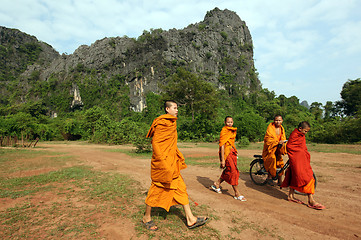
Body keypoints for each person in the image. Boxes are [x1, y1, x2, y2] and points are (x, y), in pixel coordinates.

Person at [142, 100, 209, 231]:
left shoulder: (172, 123)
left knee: (181, 188)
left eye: (177, 108)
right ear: (167, 109)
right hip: (163, 164)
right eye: (174, 108)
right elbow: (156, 143)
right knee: (156, 189)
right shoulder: (161, 122)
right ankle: (146, 217)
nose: (177, 110)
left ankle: (190, 219)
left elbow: (171, 144)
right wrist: (163, 162)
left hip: (172, 162)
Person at [281, 121, 325, 210]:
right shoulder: (295, 135)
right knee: (307, 177)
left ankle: (290, 195)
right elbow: (290, 146)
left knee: (294, 175)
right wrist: (300, 152)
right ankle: (311, 200)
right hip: (297, 158)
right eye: (305, 131)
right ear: (300, 129)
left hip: (301, 159)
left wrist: (304, 153)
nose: (306, 133)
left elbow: (302, 147)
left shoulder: (301, 135)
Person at [210, 116, 246, 201]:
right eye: (228, 122)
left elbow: (231, 143)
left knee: (229, 170)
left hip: (232, 152)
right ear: (225, 123)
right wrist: (222, 159)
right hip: (226, 154)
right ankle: (237, 193)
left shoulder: (232, 130)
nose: (230, 124)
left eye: (231, 122)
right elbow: (222, 145)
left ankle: (217, 184)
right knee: (233, 172)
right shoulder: (224, 131)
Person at [262, 115, 287, 186]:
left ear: (282, 121)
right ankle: (269, 177)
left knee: (280, 163)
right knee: (272, 160)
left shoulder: (282, 128)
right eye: (276, 120)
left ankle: (280, 180)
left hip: (278, 149)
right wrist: (277, 142)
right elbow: (268, 139)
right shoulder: (270, 127)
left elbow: (283, 137)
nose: (278, 122)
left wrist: (283, 143)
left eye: (279, 120)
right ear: (274, 120)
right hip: (270, 149)